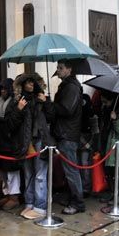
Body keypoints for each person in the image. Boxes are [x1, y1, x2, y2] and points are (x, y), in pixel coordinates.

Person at [5, 73, 52, 219]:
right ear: (22, 84)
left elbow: (52, 118)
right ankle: (30, 203)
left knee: (40, 175)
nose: (30, 85)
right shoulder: (17, 101)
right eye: (28, 82)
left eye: (33, 82)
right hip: (25, 142)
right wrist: (19, 109)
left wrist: (46, 103)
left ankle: (40, 207)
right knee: (28, 174)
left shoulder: (41, 99)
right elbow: (10, 125)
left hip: (40, 140)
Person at [46, 59, 85, 215]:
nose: (58, 70)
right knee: (69, 170)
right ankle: (72, 198)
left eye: (61, 68)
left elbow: (66, 109)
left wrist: (49, 103)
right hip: (65, 132)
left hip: (67, 134)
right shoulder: (68, 86)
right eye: (58, 67)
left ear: (69, 69)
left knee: (71, 170)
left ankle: (78, 202)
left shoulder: (71, 87)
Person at [99, 92, 119, 209]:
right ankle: (112, 193)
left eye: (106, 101)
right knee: (108, 172)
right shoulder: (106, 109)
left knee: (116, 172)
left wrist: (115, 119)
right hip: (106, 143)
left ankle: (118, 195)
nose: (104, 104)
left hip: (116, 145)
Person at [0, 78, 21, 211]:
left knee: (12, 171)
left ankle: (14, 197)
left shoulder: (14, 102)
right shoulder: (0, 102)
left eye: (5, 89)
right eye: (1, 89)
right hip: (1, 140)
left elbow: (14, 122)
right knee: (3, 171)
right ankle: (7, 194)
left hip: (11, 141)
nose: (3, 91)